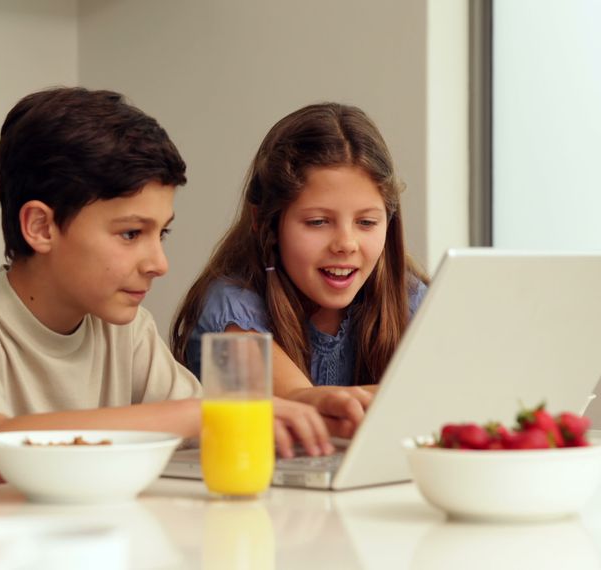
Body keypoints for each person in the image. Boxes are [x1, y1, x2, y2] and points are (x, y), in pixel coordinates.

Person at [0, 88, 333, 486]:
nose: (159, 263)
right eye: (131, 234)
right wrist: (205, 413)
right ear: (41, 227)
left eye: (161, 233)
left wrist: (317, 413)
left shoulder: (127, 332)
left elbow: (201, 431)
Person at [170, 102, 428, 438]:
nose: (346, 243)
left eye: (366, 222)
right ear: (266, 223)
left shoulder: (407, 298)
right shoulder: (232, 306)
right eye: (318, 222)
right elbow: (300, 405)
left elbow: (455, 389)